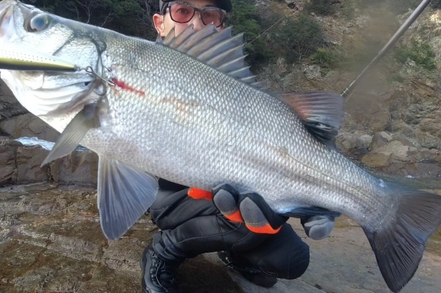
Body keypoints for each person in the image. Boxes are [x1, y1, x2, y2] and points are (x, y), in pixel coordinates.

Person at [141, 1, 336, 292]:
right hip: (166, 197)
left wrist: (309, 149)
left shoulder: (234, 81)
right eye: (183, 11)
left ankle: (230, 249)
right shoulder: (134, 71)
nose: (197, 24)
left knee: (290, 259)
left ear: (221, 25)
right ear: (160, 23)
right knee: (242, 218)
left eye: (210, 15)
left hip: (226, 188)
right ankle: (164, 250)